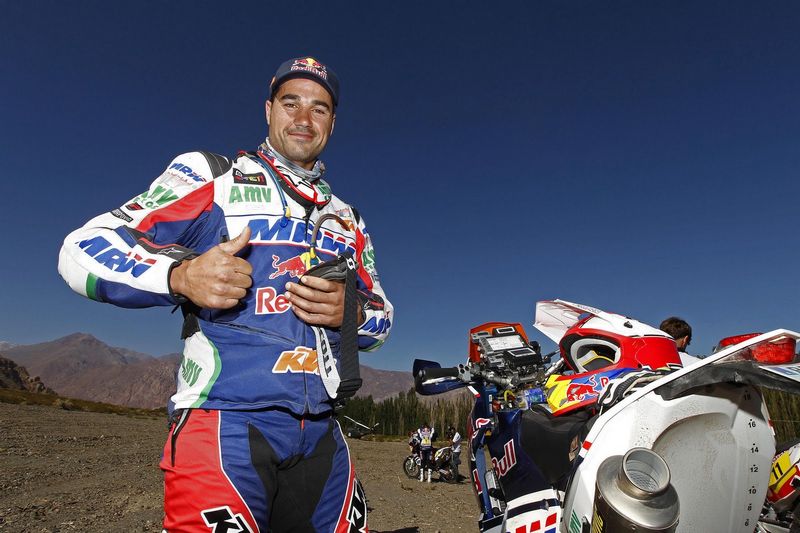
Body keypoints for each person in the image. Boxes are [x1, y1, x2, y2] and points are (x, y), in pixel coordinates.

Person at [57, 56, 393, 532]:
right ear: (268, 110)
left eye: (318, 108)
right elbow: (82, 248)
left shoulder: (348, 219)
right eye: (290, 103)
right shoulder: (212, 175)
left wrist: (351, 313)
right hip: (223, 423)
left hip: (322, 432)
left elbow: (383, 318)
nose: (303, 118)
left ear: (332, 123)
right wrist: (181, 275)